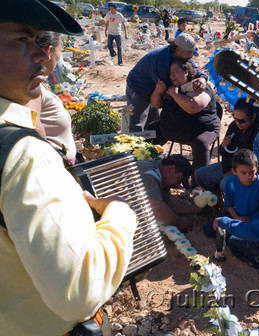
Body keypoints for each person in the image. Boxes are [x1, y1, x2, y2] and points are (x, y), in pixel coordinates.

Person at [0, 1, 137, 335]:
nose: (41, 56)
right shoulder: (25, 157)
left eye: (40, 42)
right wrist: (120, 214)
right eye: (22, 40)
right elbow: (77, 291)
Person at [148, 58, 220, 171]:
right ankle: (149, 169)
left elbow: (193, 107)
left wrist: (176, 95)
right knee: (151, 132)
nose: (172, 76)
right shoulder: (171, 87)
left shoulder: (199, 85)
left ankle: (198, 184)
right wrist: (157, 91)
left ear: (186, 71)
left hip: (201, 129)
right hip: (171, 129)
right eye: (170, 73)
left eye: (175, 71)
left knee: (200, 143)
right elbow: (156, 104)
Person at [126, 33, 207, 131]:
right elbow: (168, 93)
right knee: (137, 126)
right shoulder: (160, 62)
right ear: (178, 50)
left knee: (153, 124)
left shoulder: (181, 55)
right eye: (189, 52)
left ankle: (151, 145)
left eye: (192, 52)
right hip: (138, 87)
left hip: (153, 87)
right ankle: (132, 145)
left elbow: (193, 68)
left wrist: (202, 78)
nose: (191, 56)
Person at [25, 31, 77, 162]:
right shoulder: (33, 89)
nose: (59, 56)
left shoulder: (33, 84)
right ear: (48, 51)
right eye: (60, 51)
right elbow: (34, 132)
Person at [194, 98, 259, 192]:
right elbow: (222, 152)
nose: (238, 123)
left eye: (242, 121)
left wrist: (233, 172)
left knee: (225, 184)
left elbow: (253, 160)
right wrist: (223, 146)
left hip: (246, 171)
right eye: (235, 118)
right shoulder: (234, 126)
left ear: (253, 117)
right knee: (200, 174)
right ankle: (214, 201)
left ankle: (232, 205)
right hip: (228, 165)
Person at [203, 149, 259, 237]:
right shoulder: (232, 181)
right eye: (243, 173)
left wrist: (249, 219)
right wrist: (236, 217)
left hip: (253, 221)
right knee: (208, 228)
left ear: (257, 168)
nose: (248, 176)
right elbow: (229, 203)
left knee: (235, 237)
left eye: (252, 172)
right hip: (234, 216)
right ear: (234, 171)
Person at [136, 155, 199, 232]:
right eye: (179, 179)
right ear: (171, 168)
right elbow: (158, 210)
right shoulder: (150, 174)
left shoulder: (160, 172)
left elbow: (168, 206)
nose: (178, 186)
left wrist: (195, 208)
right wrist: (179, 222)